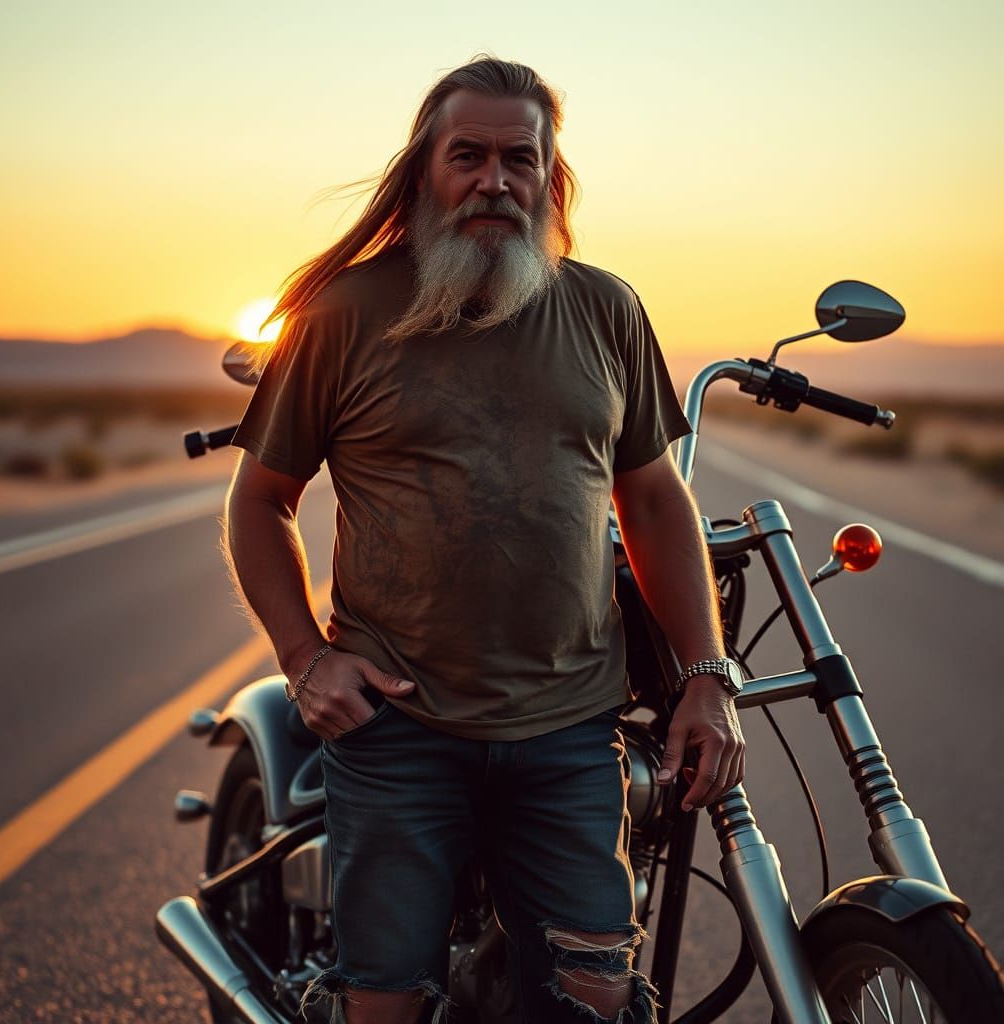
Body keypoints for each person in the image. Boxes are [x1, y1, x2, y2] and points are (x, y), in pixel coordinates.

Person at [224, 56, 745, 1024]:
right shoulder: (343, 312)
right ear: (425, 169)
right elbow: (260, 502)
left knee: (596, 995)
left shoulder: (605, 307)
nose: (494, 180)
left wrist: (708, 676)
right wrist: (306, 658)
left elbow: (654, 499)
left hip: (571, 725)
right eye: (468, 155)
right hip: (399, 728)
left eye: (520, 159)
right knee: (390, 1003)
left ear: (552, 179)